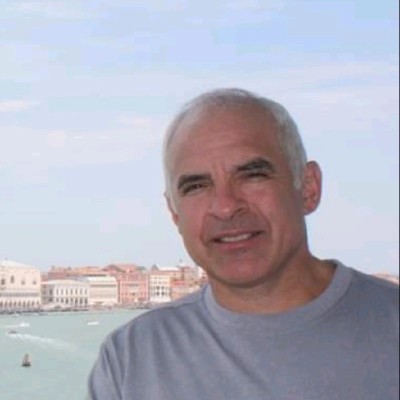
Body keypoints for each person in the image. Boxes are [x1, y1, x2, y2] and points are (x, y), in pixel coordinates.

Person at [88, 88, 399, 399]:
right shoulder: (129, 362)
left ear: (308, 188)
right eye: (196, 186)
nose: (225, 206)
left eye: (252, 176)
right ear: (174, 213)